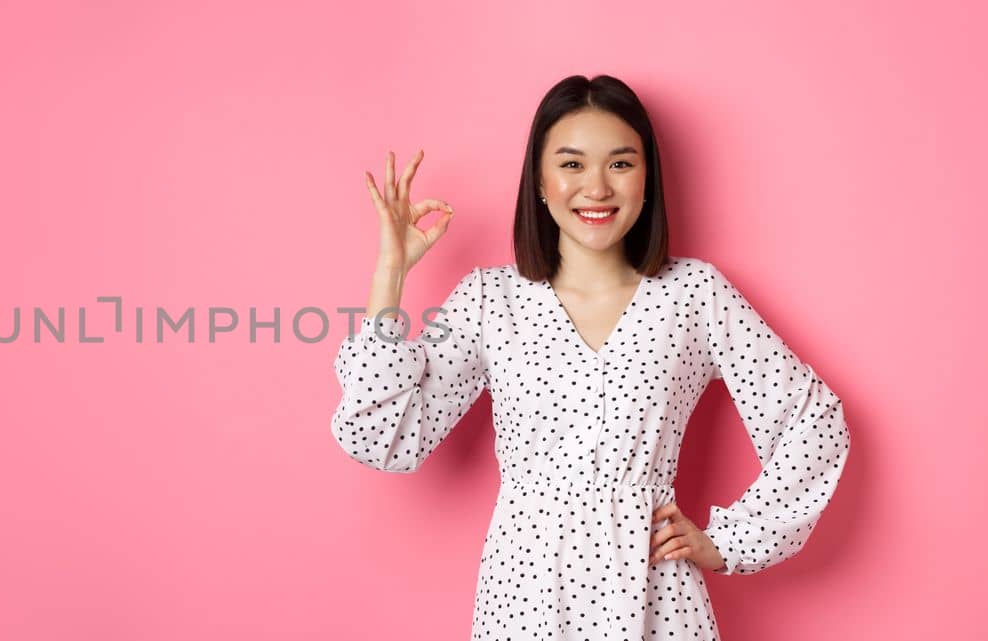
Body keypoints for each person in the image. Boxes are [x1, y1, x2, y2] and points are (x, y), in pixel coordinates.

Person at [329, 74, 852, 640]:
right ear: (539, 181)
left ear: (647, 179)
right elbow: (383, 438)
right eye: (572, 164)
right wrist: (391, 274)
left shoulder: (693, 294)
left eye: (621, 164)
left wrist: (731, 541)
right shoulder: (490, 300)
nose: (597, 188)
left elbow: (812, 421)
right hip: (523, 600)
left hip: (655, 598)